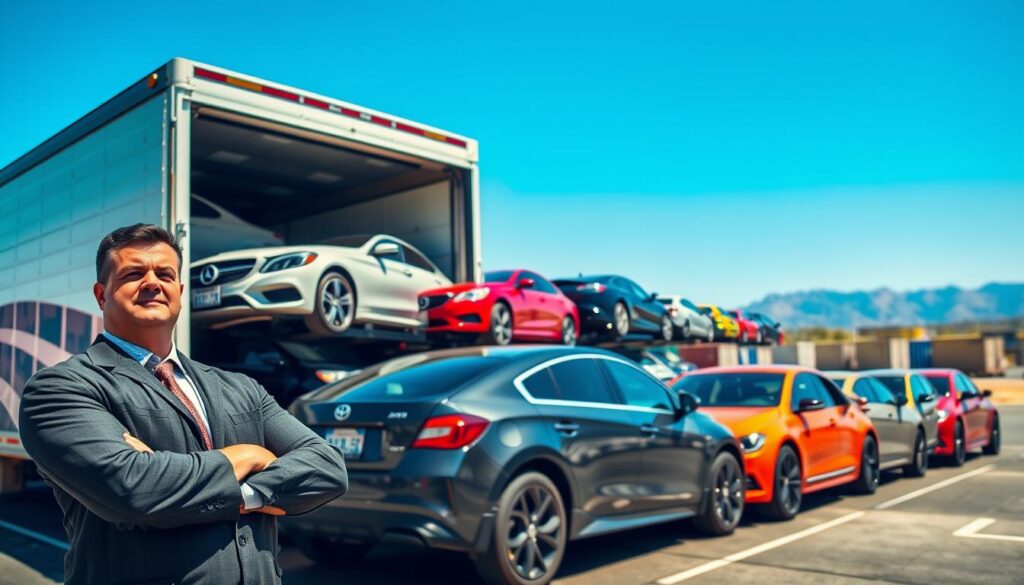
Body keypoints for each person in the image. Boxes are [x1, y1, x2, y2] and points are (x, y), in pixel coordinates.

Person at [20, 224, 348, 585]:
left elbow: (327, 469)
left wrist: (246, 494)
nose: (151, 282)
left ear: (179, 290)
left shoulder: (240, 387)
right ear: (101, 295)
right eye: (133, 274)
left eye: (164, 274)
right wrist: (247, 455)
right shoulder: (62, 388)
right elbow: (134, 488)